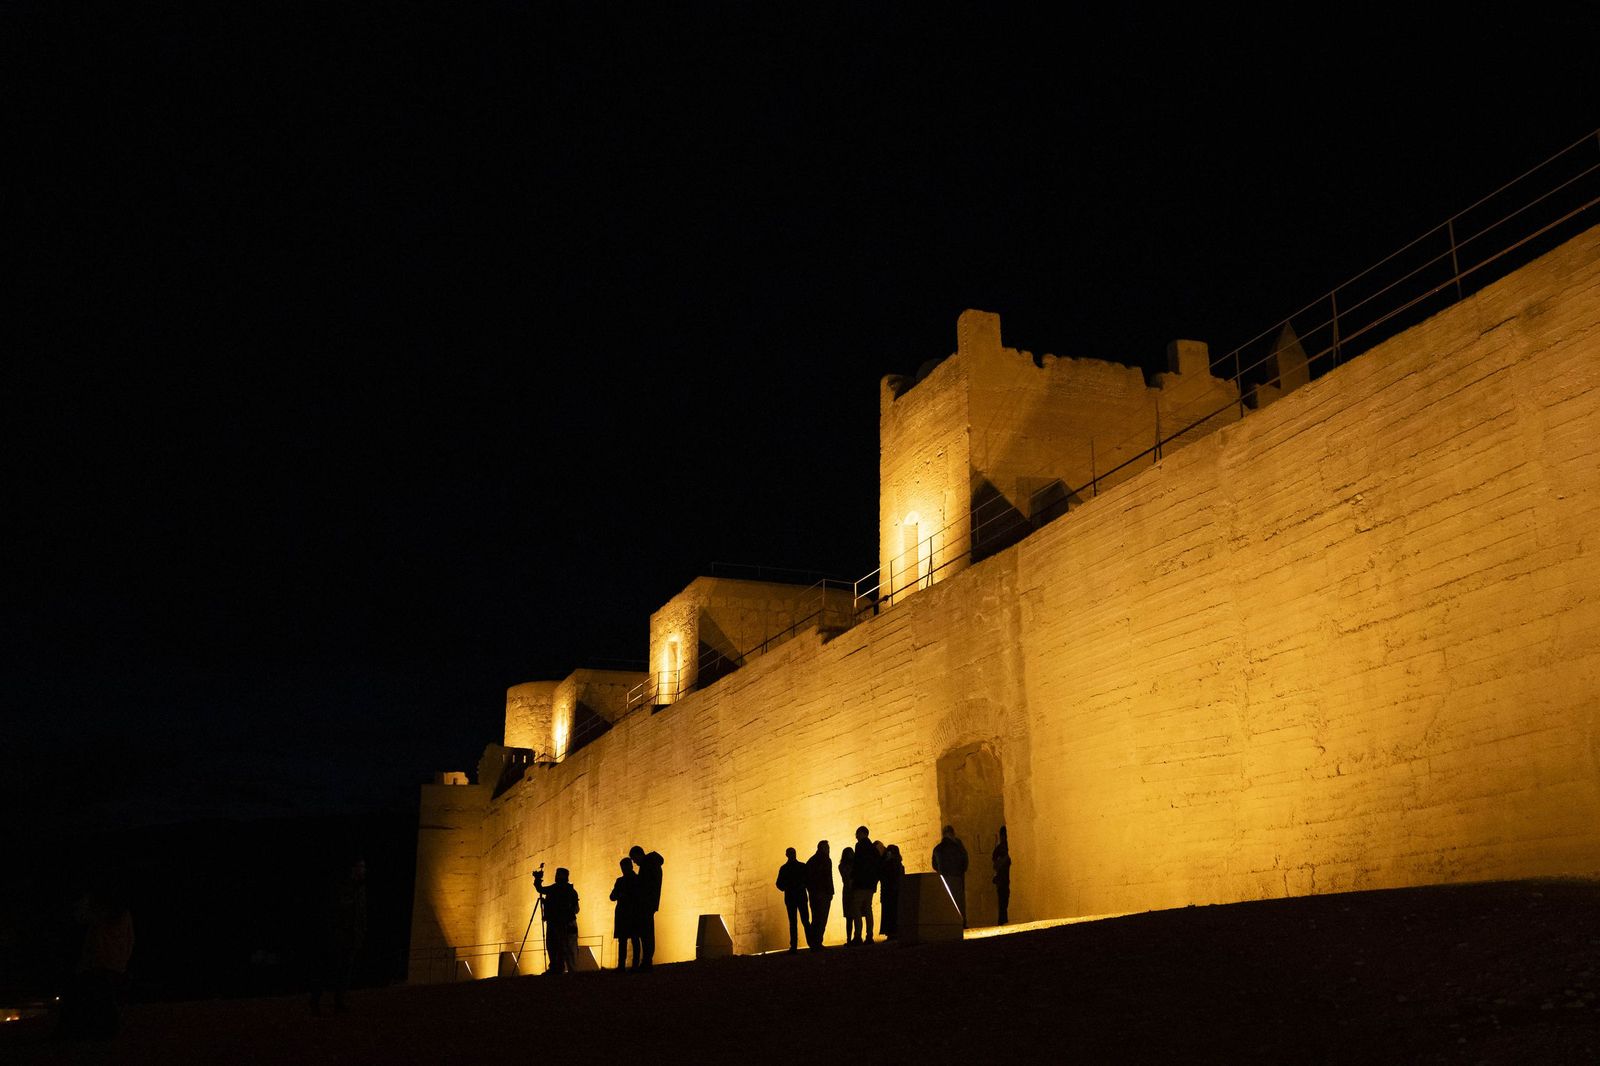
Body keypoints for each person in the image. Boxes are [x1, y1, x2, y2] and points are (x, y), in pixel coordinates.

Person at [59, 883, 135, 1038]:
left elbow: (80, 917)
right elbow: (130, 940)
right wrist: (124, 960)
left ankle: (95, 1029)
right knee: (105, 1000)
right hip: (113, 964)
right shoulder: (121, 914)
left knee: (97, 998)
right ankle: (104, 1029)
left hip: (98, 964)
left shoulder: (98, 914)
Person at [309, 858, 365, 1015]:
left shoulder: (360, 888)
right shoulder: (343, 886)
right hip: (338, 937)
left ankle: (338, 1001)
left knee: (344, 973)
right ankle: (316, 1000)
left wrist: (360, 933)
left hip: (351, 937)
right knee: (329, 970)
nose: (363, 870)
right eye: (361, 867)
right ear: (353, 869)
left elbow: (361, 914)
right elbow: (336, 910)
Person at [534, 866, 580, 974]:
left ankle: (558, 967)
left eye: (558, 874)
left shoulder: (563, 890)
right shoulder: (570, 890)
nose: (556, 876)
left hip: (562, 923)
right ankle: (558, 967)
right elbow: (576, 909)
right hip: (556, 922)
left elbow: (540, 889)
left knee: (559, 946)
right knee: (553, 945)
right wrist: (537, 880)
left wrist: (537, 880)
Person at [629, 845, 664, 969]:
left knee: (646, 933)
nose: (634, 862)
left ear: (639, 854)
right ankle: (647, 960)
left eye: (634, 858)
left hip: (645, 904)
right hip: (650, 903)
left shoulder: (647, 865)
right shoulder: (653, 864)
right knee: (647, 932)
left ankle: (647, 961)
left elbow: (645, 886)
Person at [932, 825, 969, 927]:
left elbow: (934, 865)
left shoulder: (937, 849)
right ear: (952, 834)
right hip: (957, 877)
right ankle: (960, 923)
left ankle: (948, 924)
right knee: (959, 901)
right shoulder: (958, 847)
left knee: (946, 902)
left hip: (944, 878)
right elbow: (965, 862)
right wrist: (961, 871)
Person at [774, 847, 811, 953]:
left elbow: (779, 884)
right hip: (801, 897)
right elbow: (808, 880)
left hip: (790, 898)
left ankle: (794, 946)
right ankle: (811, 943)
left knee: (793, 922)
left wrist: (787, 888)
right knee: (805, 921)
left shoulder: (784, 868)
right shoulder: (802, 866)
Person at [610, 857, 642, 970]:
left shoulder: (627, 881)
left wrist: (621, 896)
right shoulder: (634, 879)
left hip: (629, 912)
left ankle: (628, 965)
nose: (623, 870)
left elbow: (613, 896)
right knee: (628, 939)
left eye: (624, 867)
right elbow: (612, 896)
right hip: (627, 913)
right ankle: (629, 965)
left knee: (631, 938)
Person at [850, 826, 881, 943]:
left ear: (862, 833)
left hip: (861, 883)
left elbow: (857, 864)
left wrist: (852, 878)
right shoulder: (873, 848)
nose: (856, 836)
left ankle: (858, 936)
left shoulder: (860, 846)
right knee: (868, 909)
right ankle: (869, 936)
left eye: (857, 834)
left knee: (856, 909)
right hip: (870, 884)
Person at [804, 840, 833, 948]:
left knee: (816, 919)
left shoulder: (811, 861)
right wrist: (830, 892)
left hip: (816, 894)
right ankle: (817, 942)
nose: (828, 849)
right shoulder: (825, 860)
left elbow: (807, 879)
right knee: (821, 919)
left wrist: (812, 891)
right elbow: (828, 878)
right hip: (823, 894)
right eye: (826, 848)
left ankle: (814, 942)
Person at [879, 843, 904, 940]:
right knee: (894, 912)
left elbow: (884, 876)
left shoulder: (889, 863)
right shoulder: (899, 863)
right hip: (895, 891)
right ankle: (894, 932)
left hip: (889, 892)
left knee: (889, 913)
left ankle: (891, 933)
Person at [992, 825, 1012, 925]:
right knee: (1005, 901)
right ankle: (1004, 920)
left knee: (1002, 902)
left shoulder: (1000, 848)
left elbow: (994, 863)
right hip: (1006, 879)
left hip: (1002, 880)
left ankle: (1002, 921)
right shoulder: (1006, 847)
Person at [838, 846, 858, 944]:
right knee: (852, 916)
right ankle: (852, 938)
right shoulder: (852, 865)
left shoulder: (842, 866)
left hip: (848, 891)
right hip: (851, 891)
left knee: (851, 917)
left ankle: (851, 938)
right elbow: (847, 876)